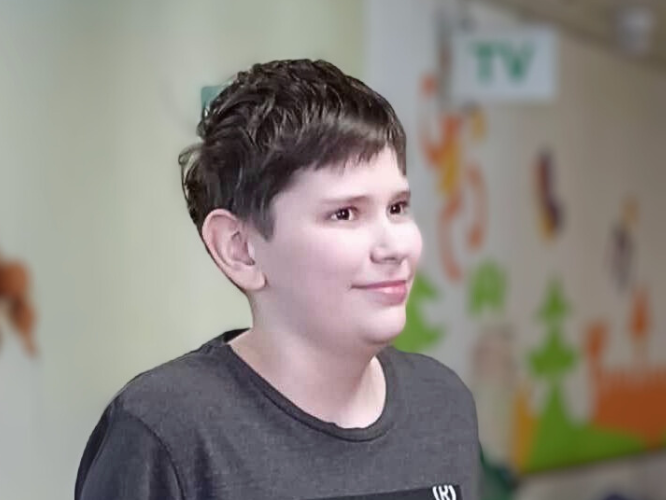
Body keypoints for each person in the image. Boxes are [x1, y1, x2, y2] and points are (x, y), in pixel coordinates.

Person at [75, 59, 479, 500]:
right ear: (239, 248)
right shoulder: (166, 432)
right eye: (345, 214)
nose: (395, 246)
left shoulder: (443, 405)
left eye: (397, 208)